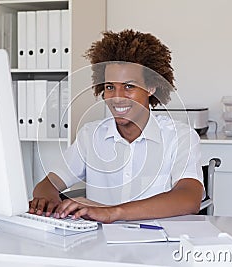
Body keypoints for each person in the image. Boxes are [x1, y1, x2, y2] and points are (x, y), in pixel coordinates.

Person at [29, 29, 204, 223]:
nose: (117, 97)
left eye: (129, 86)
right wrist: (49, 201)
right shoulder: (91, 135)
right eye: (110, 87)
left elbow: (189, 198)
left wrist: (112, 212)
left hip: (159, 247)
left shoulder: (180, 137)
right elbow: (47, 185)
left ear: (150, 88)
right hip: (100, 247)